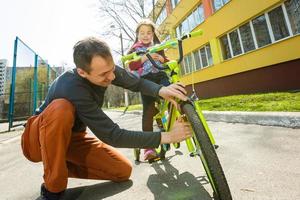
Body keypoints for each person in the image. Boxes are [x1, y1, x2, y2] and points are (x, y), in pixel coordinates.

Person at [21, 37, 192, 200]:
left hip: (73, 138)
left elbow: (137, 83)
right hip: (38, 139)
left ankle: (57, 165)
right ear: (82, 72)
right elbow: (112, 135)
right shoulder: (71, 86)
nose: (111, 77)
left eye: (112, 69)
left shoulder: (108, 70)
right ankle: (53, 190)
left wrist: (162, 90)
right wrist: (168, 136)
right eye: (104, 74)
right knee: (61, 108)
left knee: (122, 170)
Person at [127, 19, 171, 161]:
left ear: (153, 34)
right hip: (146, 81)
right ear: (138, 35)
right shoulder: (135, 49)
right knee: (149, 111)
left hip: (160, 76)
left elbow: (167, 60)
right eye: (142, 33)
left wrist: (163, 60)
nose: (145, 35)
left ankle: (176, 121)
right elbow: (131, 65)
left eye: (148, 33)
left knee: (172, 94)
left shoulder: (158, 46)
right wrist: (145, 57)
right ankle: (148, 148)